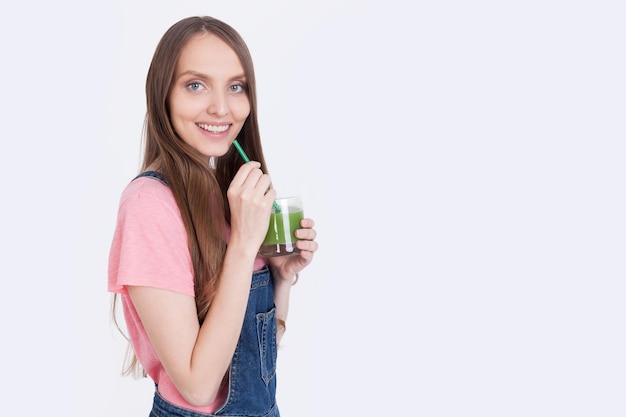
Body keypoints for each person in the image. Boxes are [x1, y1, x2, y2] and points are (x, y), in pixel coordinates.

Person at [108, 16, 318, 417]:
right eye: (195, 85)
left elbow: (254, 359)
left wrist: (282, 279)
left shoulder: (224, 196)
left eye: (236, 87)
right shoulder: (149, 204)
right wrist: (242, 245)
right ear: (162, 95)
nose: (222, 107)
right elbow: (200, 386)